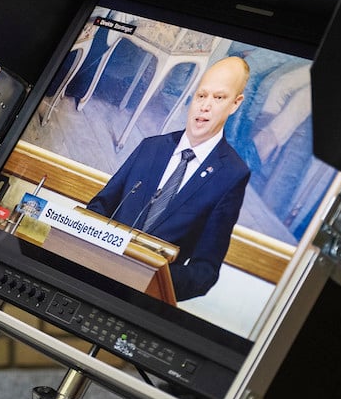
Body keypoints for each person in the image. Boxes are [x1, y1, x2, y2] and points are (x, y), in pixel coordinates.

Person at [85, 56, 252, 301]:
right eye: (201, 95)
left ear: (235, 104)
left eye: (219, 98)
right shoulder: (150, 147)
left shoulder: (231, 174)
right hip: (93, 278)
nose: (205, 106)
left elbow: (204, 272)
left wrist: (147, 279)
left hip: (142, 300)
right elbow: (100, 207)